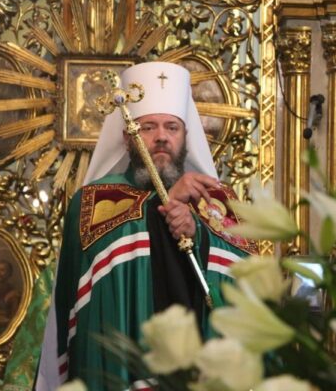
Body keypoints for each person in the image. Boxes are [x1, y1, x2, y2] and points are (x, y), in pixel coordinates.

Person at [36, 61, 258, 390]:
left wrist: (197, 232)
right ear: (127, 138)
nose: (161, 137)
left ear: (185, 136)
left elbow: (243, 279)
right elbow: (89, 283)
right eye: (148, 127)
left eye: (172, 127)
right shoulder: (93, 201)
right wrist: (159, 208)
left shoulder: (216, 200)